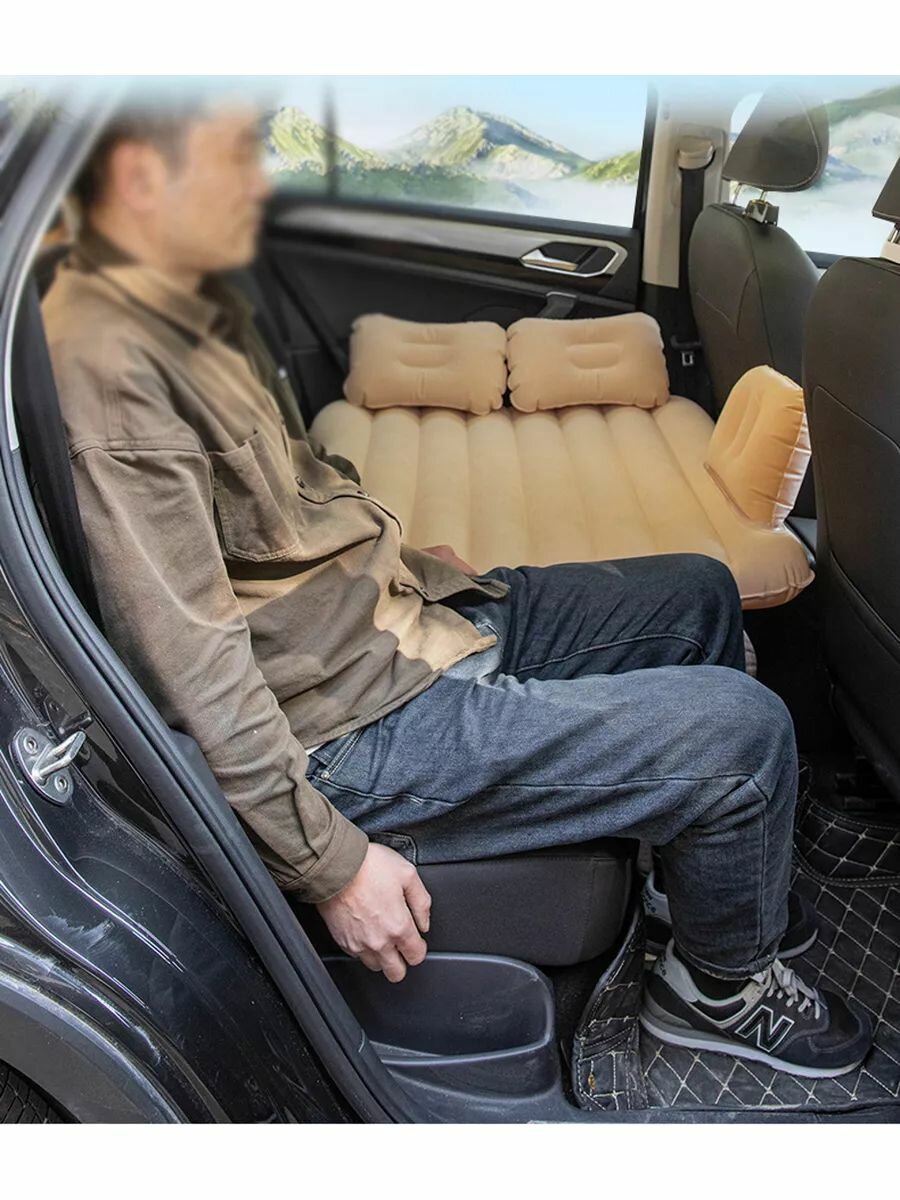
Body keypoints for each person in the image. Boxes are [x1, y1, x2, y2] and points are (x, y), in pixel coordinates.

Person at [42, 93, 871, 1078]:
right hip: (349, 728)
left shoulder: (184, 306)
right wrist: (330, 863)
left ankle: (704, 886)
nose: (257, 184)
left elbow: (291, 512)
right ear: (140, 178)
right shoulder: (110, 367)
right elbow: (189, 661)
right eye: (232, 158)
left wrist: (412, 564)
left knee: (699, 590)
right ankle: (721, 987)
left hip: (396, 622)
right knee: (743, 733)